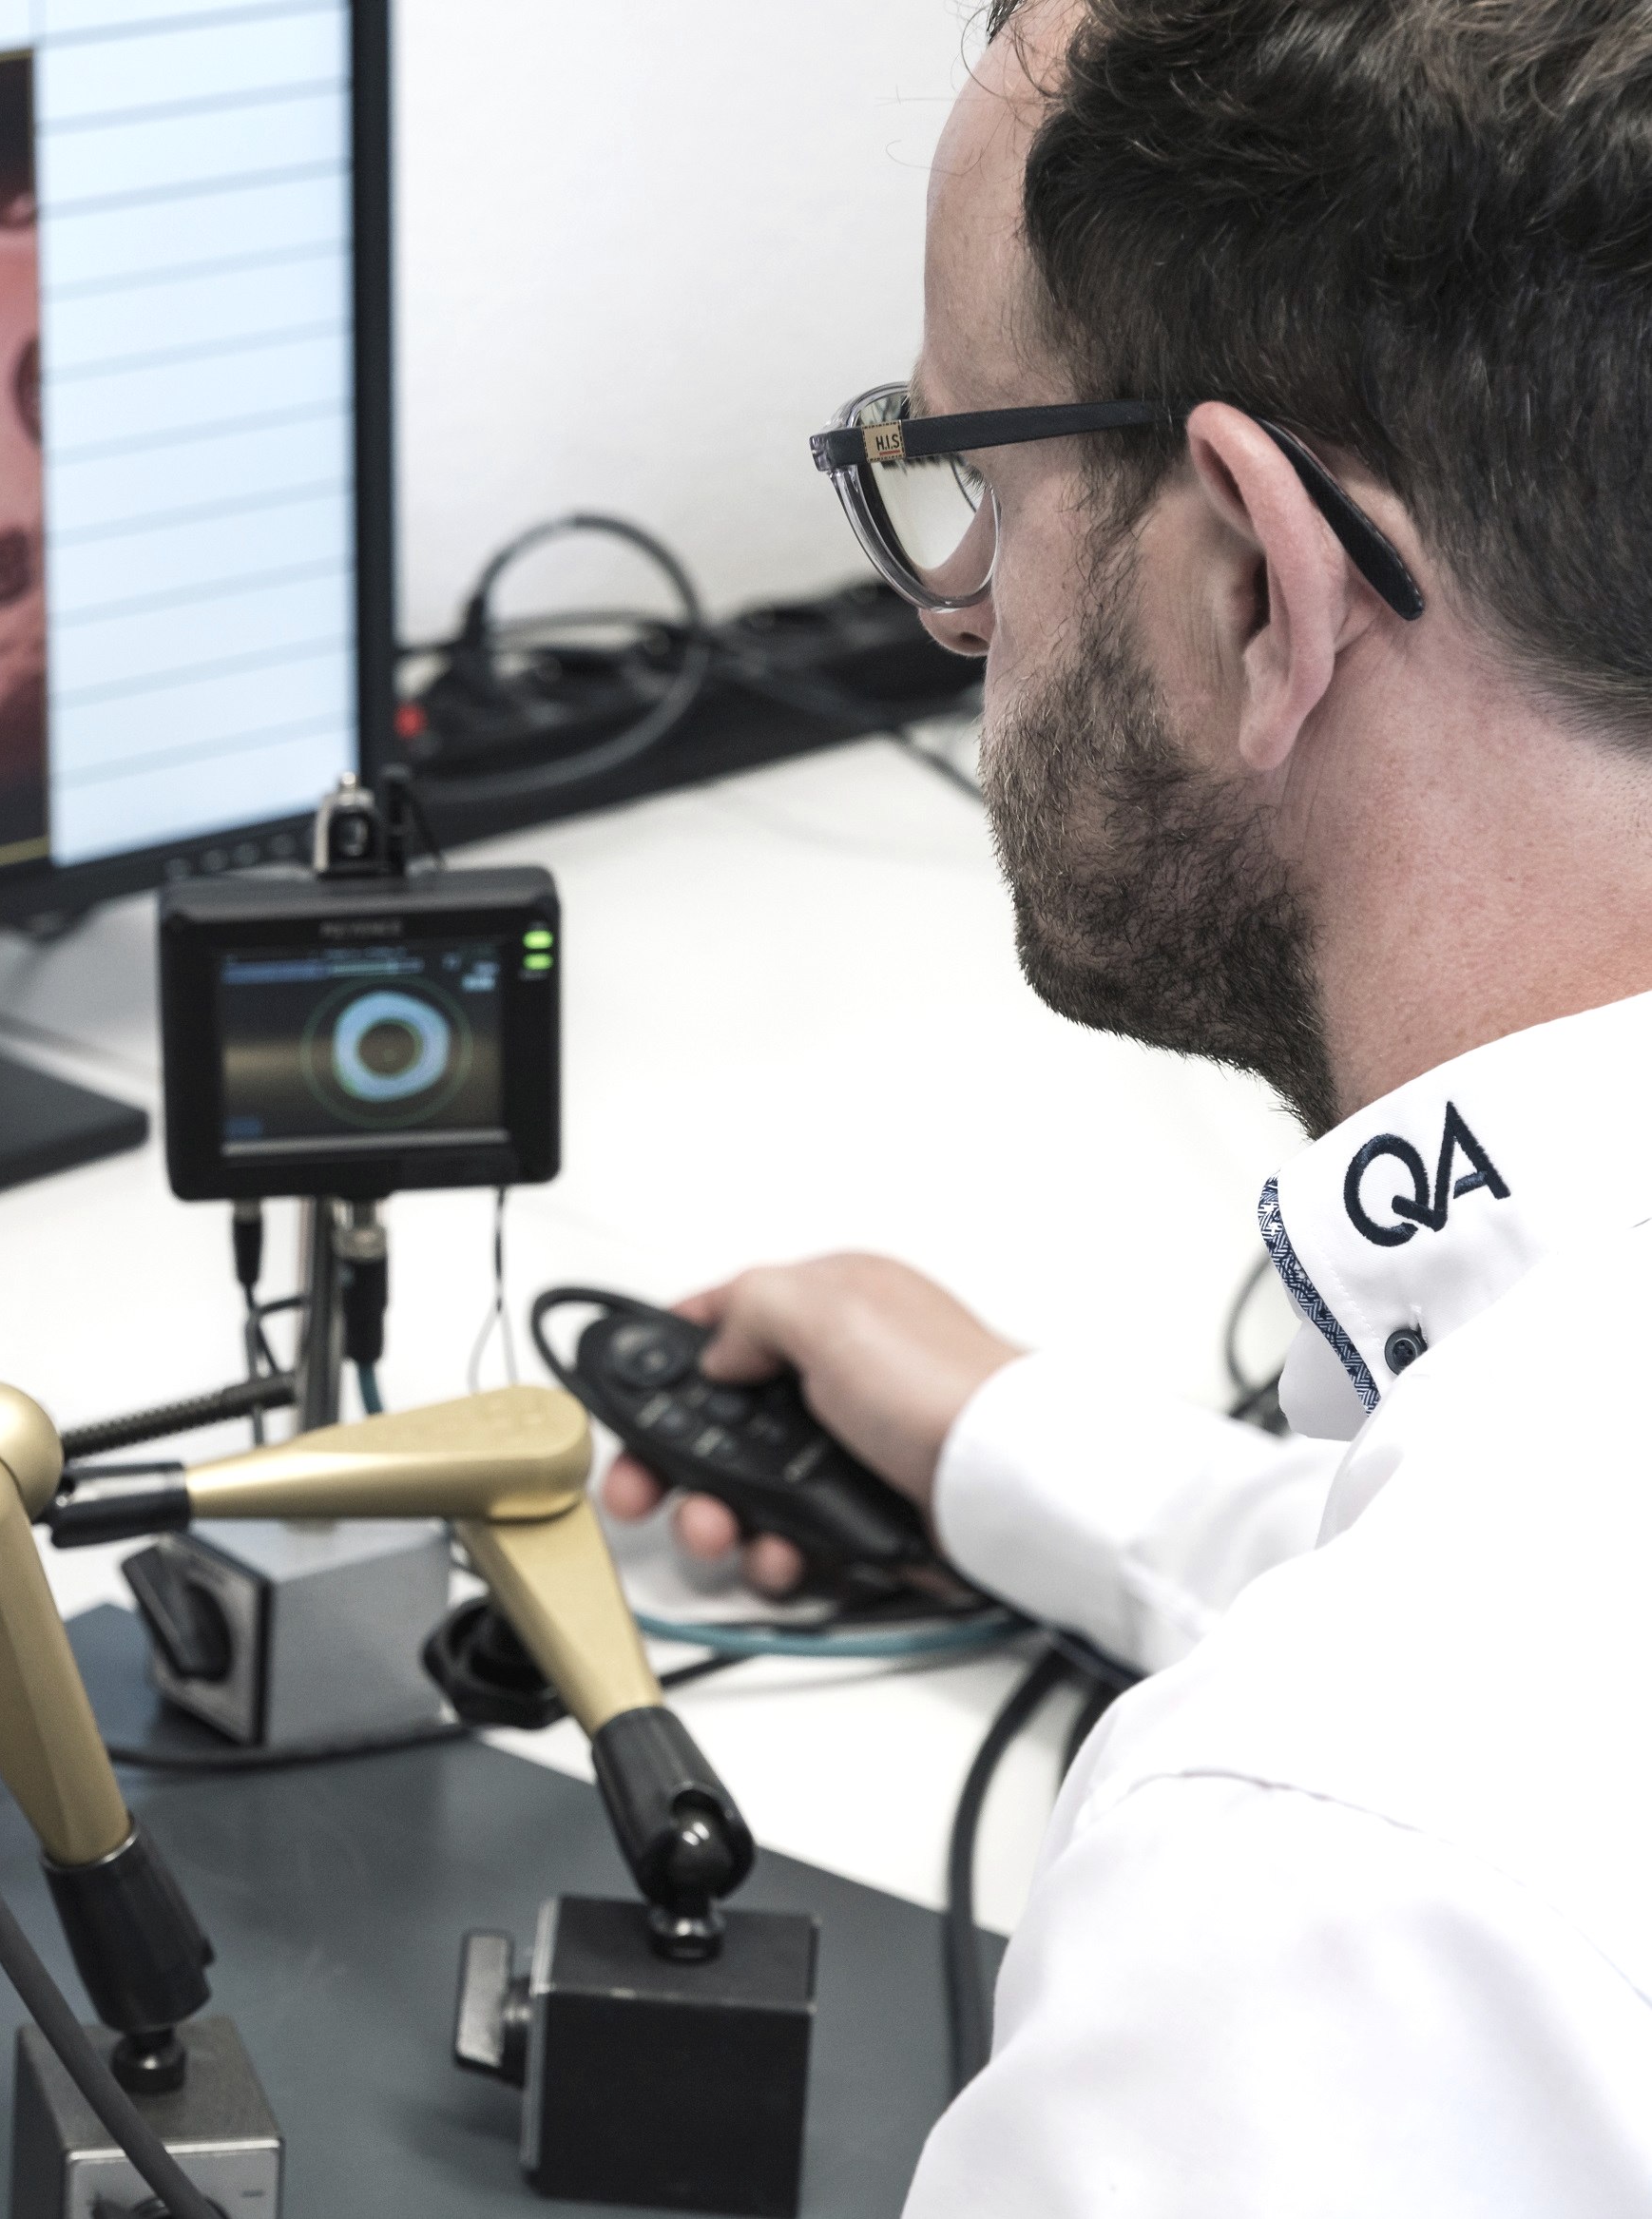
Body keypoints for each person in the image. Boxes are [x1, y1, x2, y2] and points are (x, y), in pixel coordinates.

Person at [612, 2, 1652, 2207]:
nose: (956, 620)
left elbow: (1447, 1739)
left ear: (1249, 582)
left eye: (974, 494)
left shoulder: (1326, 1891)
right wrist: (1006, 1444)